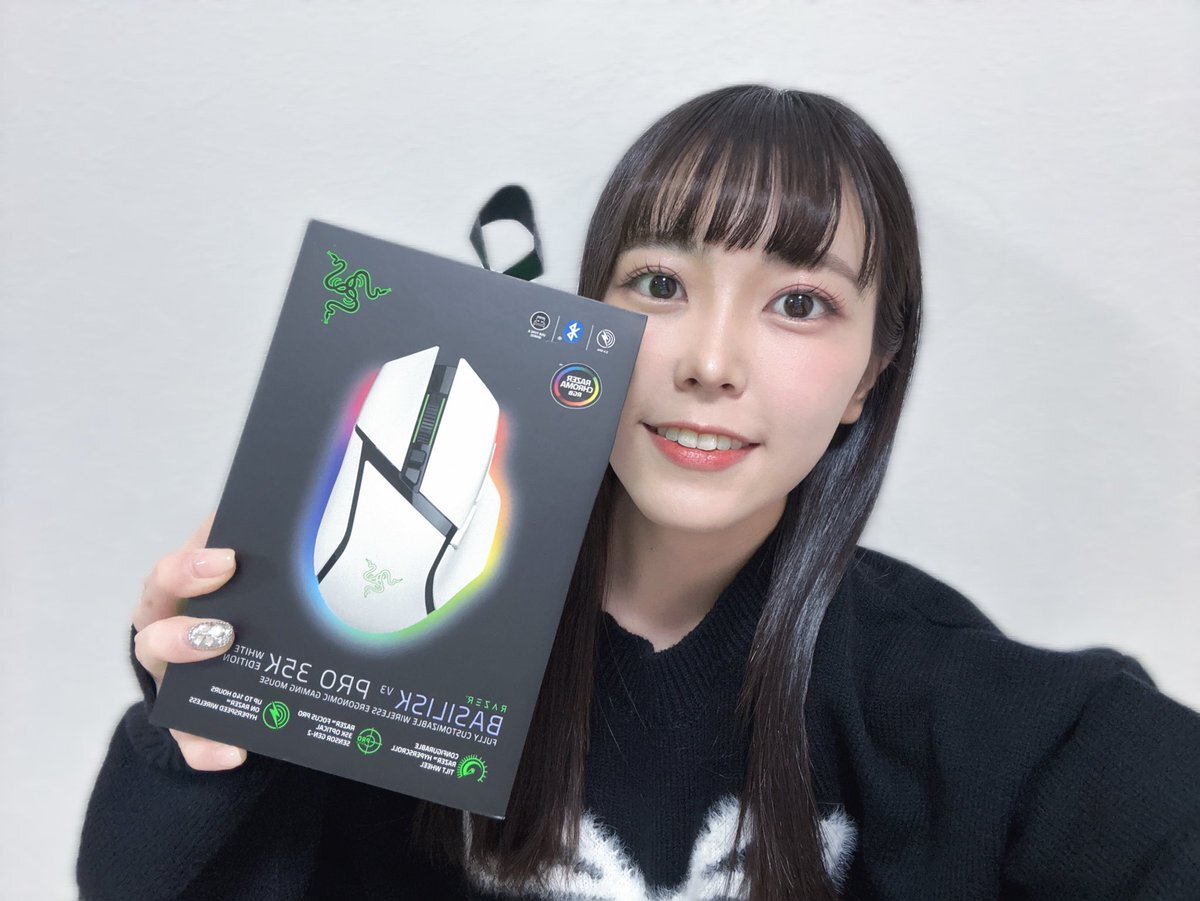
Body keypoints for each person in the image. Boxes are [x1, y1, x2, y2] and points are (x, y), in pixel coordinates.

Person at [78, 85, 1200, 901]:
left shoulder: (955, 699)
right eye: (660, 283)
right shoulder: (397, 625)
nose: (710, 361)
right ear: (585, 325)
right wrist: (203, 745)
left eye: (799, 303)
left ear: (869, 376)